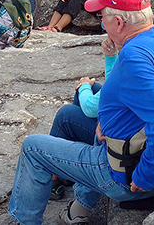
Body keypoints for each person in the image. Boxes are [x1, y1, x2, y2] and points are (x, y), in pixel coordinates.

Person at [8, 0, 154, 225]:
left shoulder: (134, 58)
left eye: (102, 17)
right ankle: (80, 207)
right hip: (135, 144)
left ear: (119, 23)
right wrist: (106, 122)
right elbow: (145, 93)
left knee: (33, 147)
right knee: (68, 115)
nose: (101, 23)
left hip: (121, 171)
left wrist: (146, 175)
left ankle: (23, 220)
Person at [47, 35, 118, 200]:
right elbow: (113, 84)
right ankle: (67, 168)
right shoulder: (144, 45)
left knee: (65, 115)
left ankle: (53, 179)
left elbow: (91, 108)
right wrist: (111, 57)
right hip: (130, 126)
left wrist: (84, 86)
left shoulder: (132, 57)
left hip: (119, 137)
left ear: (119, 23)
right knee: (91, 90)